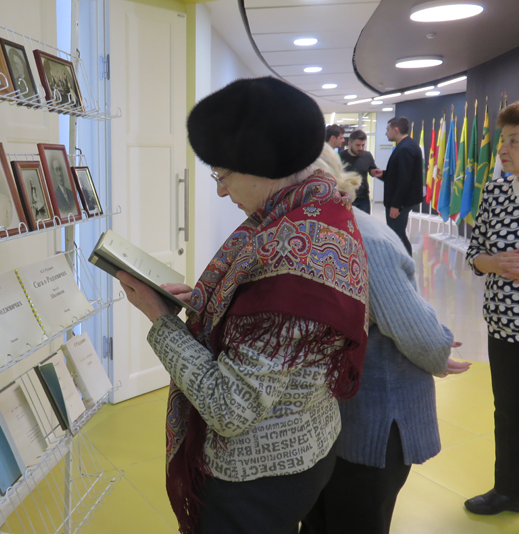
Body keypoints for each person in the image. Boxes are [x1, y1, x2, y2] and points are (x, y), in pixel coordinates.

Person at [116, 77, 369, 534]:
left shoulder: (292, 255)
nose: (220, 191)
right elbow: (271, 327)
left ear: (261, 168)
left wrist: (160, 320)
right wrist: (211, 306)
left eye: (222, 175)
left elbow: (230, 407)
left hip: (257, 477)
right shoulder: (320, 210)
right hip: (305, 443)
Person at [300, 145, 470, 534]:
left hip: (372, 424)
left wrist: (438, 348)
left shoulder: (364, 238)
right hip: (335, 421)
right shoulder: (321, 230)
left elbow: (418, 335)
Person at [464, 100, 519, 516]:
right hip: (504, 326)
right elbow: (474, 253)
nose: (503, 150)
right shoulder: (495, 192)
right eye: (502, 141)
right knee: (508, 414)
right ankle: (511, 491)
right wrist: (492, 263)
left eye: (514, 141)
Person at [376, 117, 423, 255]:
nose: (386, 133)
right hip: (401, 201)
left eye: (388, 130)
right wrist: (384, 174)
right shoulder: (406, 145)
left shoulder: (405, 148)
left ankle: (404, 263)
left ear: (395, 130)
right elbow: (399, 174)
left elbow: (404, 179)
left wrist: (396, 205)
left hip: (400, 203)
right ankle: (406, 262)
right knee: (398, 234)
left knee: (396, 235)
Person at [339, 129, 382, 214]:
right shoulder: (341, 156)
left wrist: (373, 172)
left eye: (363, 145)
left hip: (363, 199)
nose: (361, 148)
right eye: (358, 145)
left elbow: (371, 169)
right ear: (349, 144)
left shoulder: (367, 156)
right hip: (346, 197)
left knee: (365, 222)